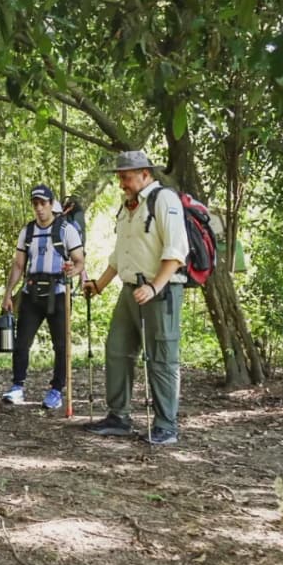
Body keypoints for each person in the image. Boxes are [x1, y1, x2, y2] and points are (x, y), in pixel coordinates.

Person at [82, 151, 189, 445]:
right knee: (117, 350)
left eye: (126, 177)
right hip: (130, 291)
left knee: (161, 358)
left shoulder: (163, 200)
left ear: (145, 174)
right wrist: (99, 285)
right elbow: (119, 256)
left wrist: (154, 287)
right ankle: (119, 417)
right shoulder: (127, 206)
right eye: (119, 177)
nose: (122, 183)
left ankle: (166, 425)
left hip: (161, 292)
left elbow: (176, 252)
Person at [0, 184, 86, 409]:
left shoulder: (66, 229)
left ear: (51, 204)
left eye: (43, 203)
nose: (39, 208)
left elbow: (79, 261)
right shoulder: (27, 231)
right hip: (31, 292)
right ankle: (17, 386)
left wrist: (73, 271)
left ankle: (56, 390)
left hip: (58, 293)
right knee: (21, 343)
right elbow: (19, 265)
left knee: (61, 345)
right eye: (35, 204)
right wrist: (8, 293)